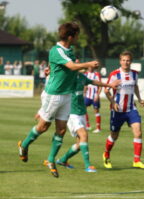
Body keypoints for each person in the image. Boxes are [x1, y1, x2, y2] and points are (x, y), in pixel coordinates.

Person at [18, 22, 99, 178]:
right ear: (70, 36)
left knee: (61, 129)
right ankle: (24, 144)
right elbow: (71, 66)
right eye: (76, 35)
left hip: (67, 94)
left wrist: (50, 68)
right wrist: (88, 64)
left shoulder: (70, 50)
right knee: (43, 127)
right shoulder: (57, 50)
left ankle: (50, 160)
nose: (78, 38)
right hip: (54, 94)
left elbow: (65, 66)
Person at [54, 70, 120, 172]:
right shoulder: (66, 77)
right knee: (84, 135)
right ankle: (88, 165)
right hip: (71, 113)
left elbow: (94, 82)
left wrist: (109, 85)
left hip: (81, 112)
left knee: (80, 144)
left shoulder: (81, 77)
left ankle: (62, 160)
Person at [102, 51, 144, 169]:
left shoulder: (135, 74)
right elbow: (106, 90)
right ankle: (106, 154)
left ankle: (137, 160)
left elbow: (136, 86)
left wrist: (140, 98)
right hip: (118, 110)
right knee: (114, 136)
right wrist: (113, 102)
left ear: (131, 61)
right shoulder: (114, 74)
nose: (125, 62)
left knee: (138, 132)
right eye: (123, 60)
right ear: (120, 61)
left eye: (127, 60)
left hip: (131, 108)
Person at [84, 67, 102, 133]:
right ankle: (87, 125)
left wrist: (97, 95)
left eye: (92, 67)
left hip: (95, 96)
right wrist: (84, 93)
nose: (90, 68)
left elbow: (100, 85)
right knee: (83, 109)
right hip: (88, 96)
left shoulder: (97, 74)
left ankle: (98, 128)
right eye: (89, 67)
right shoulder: (85, 74)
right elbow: (84, 85)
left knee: (96, 111)